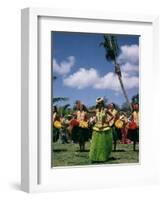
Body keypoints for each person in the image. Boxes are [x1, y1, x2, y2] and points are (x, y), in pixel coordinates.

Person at [89, 97, 113, 162]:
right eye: (98, 103)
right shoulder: (96, 110)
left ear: (102, 103)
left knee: (103, 143)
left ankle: (103, 156)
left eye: (100, 103)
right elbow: (89, 111)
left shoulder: (105, 110)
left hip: (104, 127)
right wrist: (84, 107)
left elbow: (112, 116)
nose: (99, 104)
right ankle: (96, 156)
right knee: (96, 143)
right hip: (97, 127)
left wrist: (108, 121)